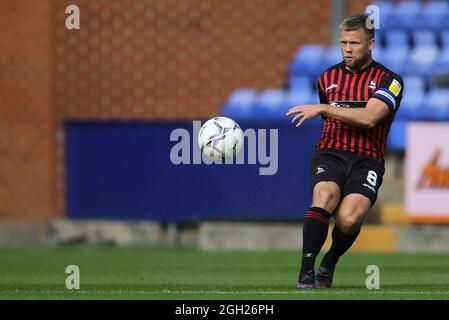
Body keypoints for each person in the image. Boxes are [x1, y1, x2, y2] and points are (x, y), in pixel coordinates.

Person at [286, 15, 404, 289]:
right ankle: (306, 271)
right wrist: (326, 109)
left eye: (354, 43)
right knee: (325, 195)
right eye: (343, 43)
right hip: (331, 152)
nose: (347, 49)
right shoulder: (327, 77)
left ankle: (329, 263)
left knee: (349, 218)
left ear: (370, 44)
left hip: (367, 159)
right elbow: (332, 120)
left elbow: (370, 118)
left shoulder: (390, 80)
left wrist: (324, 108)